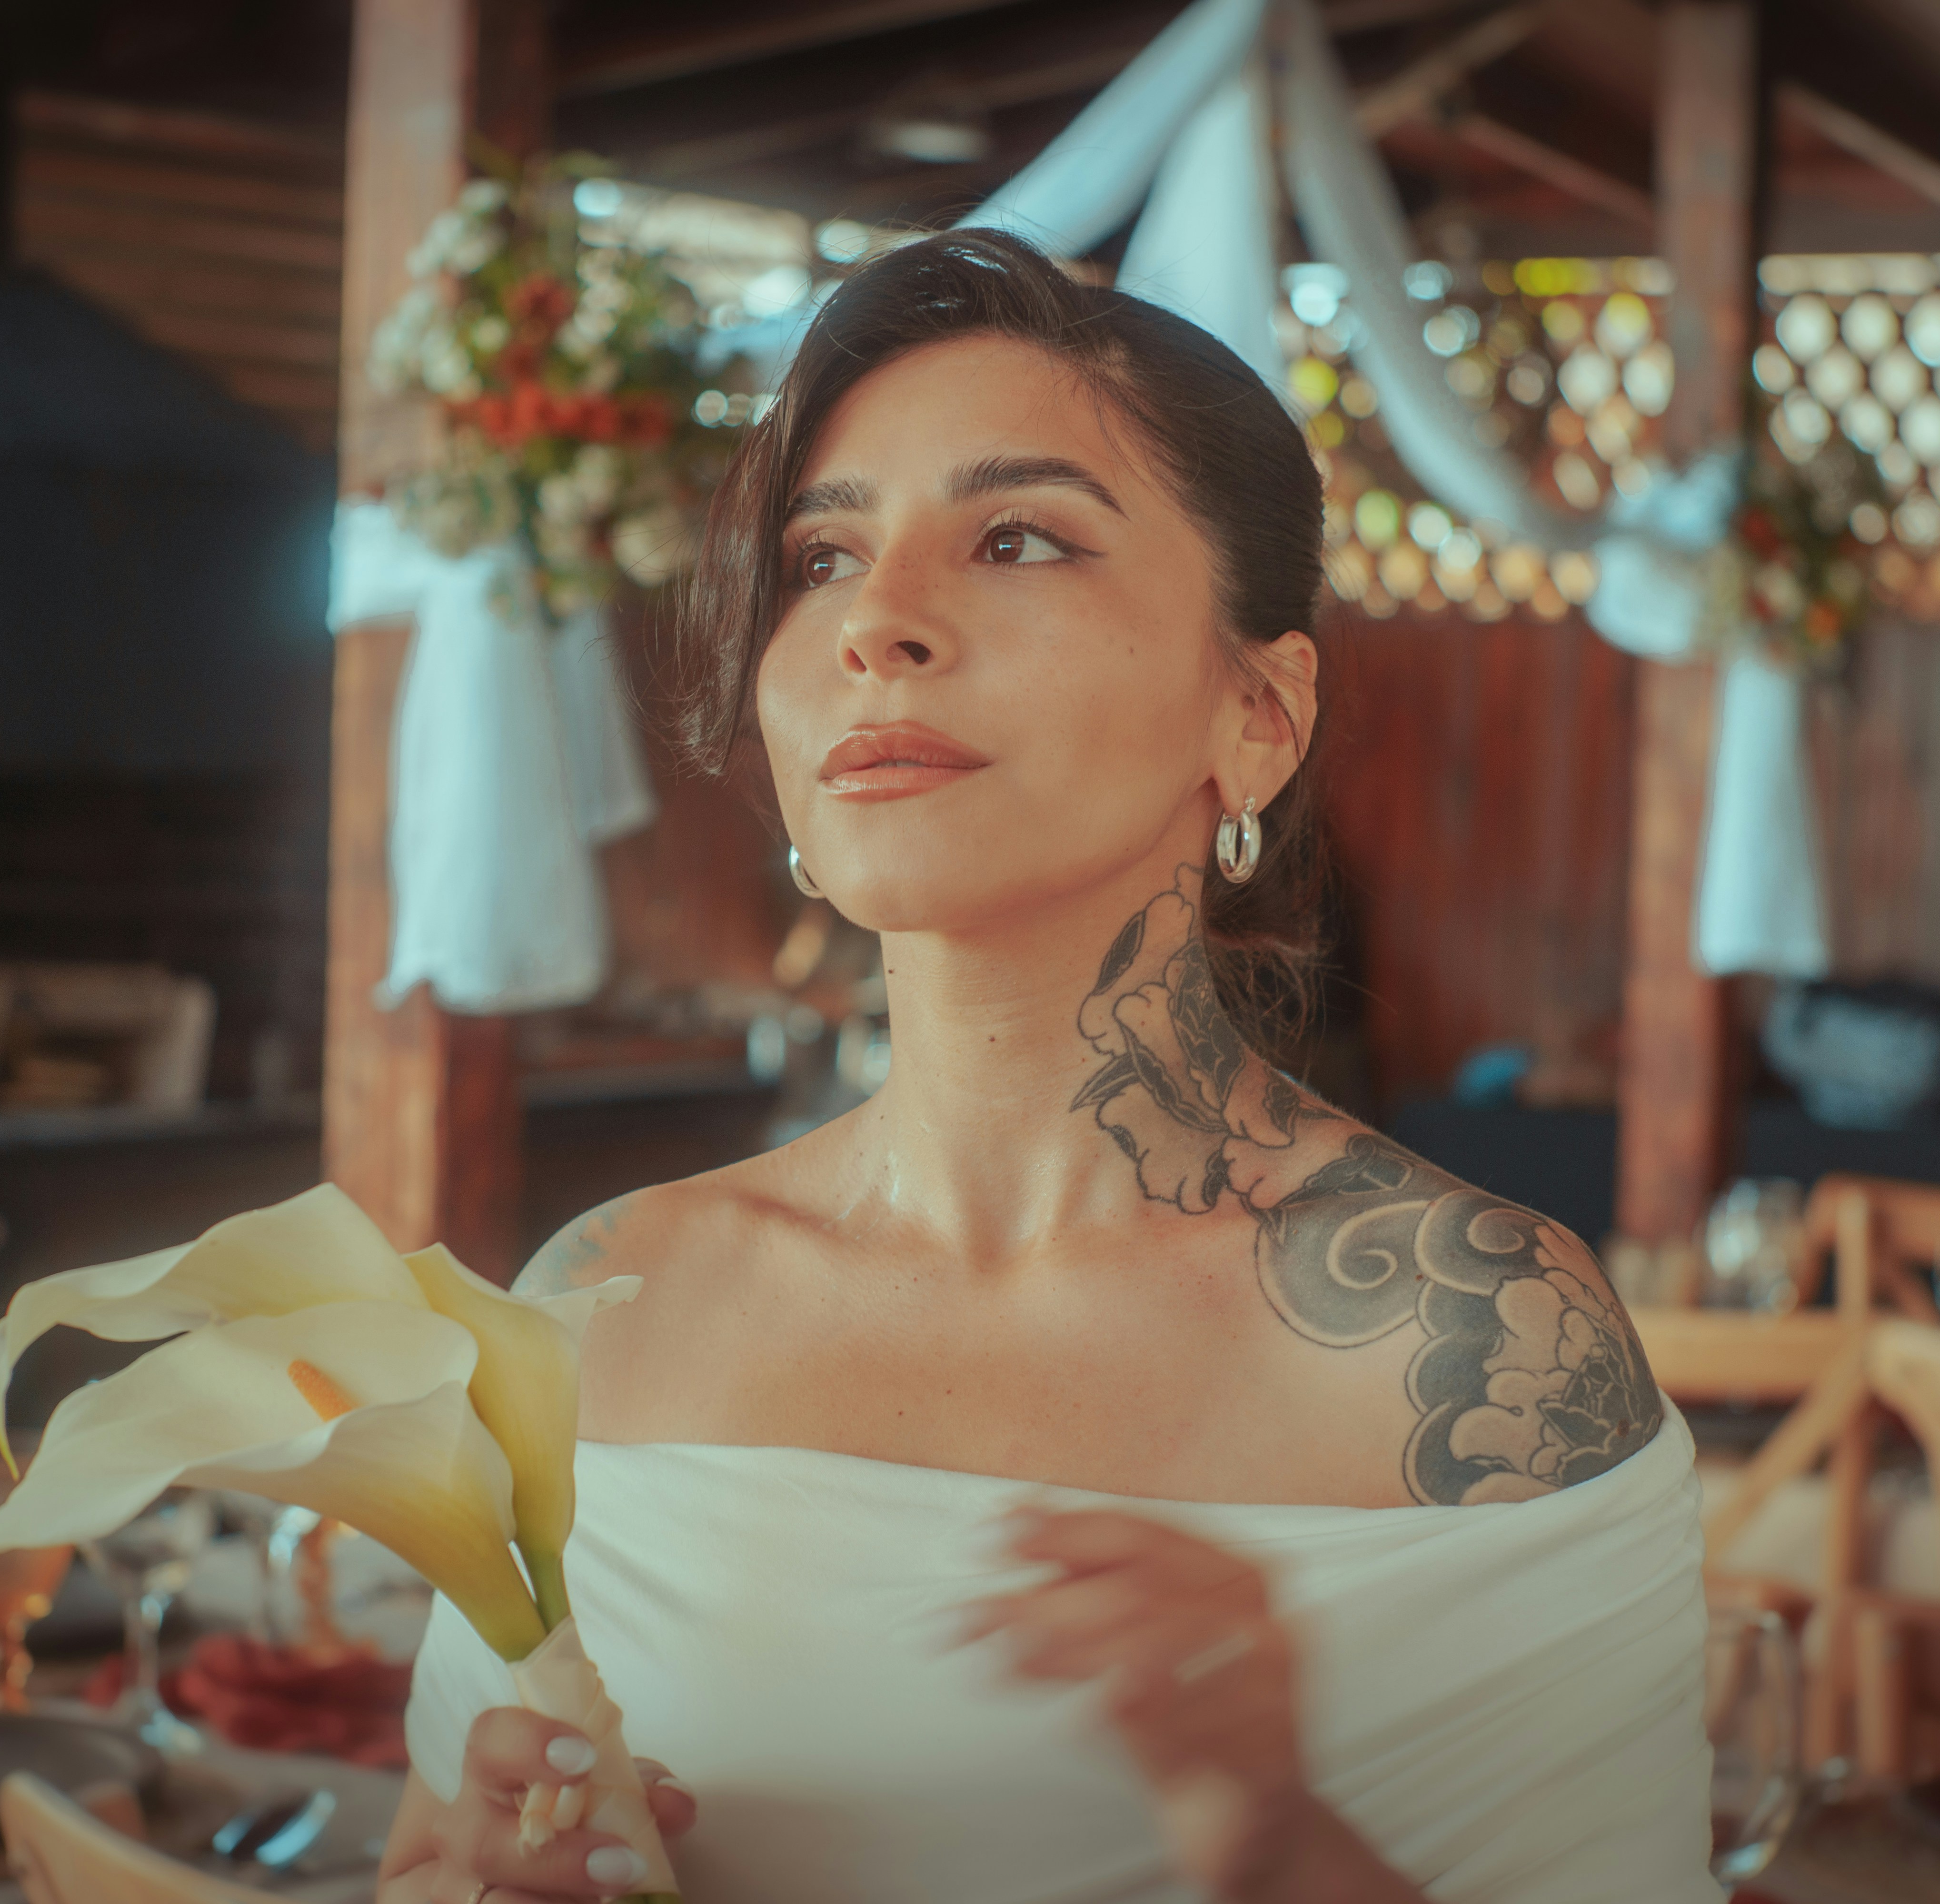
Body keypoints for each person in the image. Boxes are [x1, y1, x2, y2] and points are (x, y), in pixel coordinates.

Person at [377, 229, 1717, 1904]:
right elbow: (432, 1854)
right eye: (820, 556)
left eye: (1016, 538)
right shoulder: (602, 1304)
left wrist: (1274, 1842)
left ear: (1259, 714)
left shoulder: (1480, 1346)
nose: (878, 622)